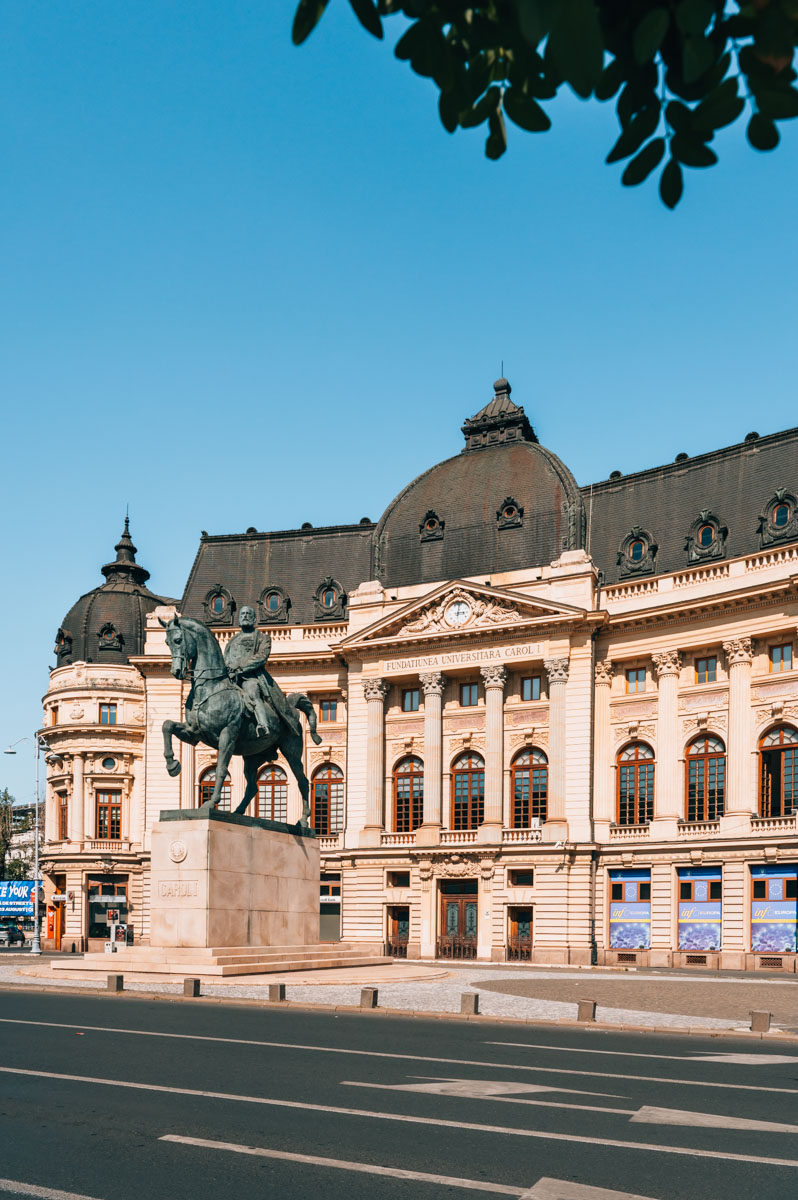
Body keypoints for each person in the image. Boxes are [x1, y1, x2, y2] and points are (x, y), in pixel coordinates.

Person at [224, 606, 301, 739]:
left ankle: (263, 725)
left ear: (254, 619)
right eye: (242, 614)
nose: (245, 616)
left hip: (250, 677)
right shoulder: (232, 640)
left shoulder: (262, 638)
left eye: (248, 614)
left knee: (252, 691)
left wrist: (239, 667)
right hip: (231, 678)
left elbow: (261, 657)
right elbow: (226, 658)